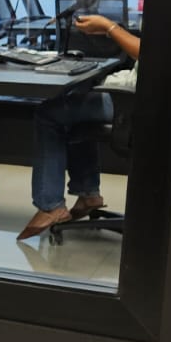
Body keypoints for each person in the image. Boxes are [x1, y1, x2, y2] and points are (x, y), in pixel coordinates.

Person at [18, 14, 141, 239]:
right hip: (127, 95)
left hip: (128, 102)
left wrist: (109, 27)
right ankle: (88, 194)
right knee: (74, 107)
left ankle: (50, 205)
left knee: (48, 113)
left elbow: (146, 52)